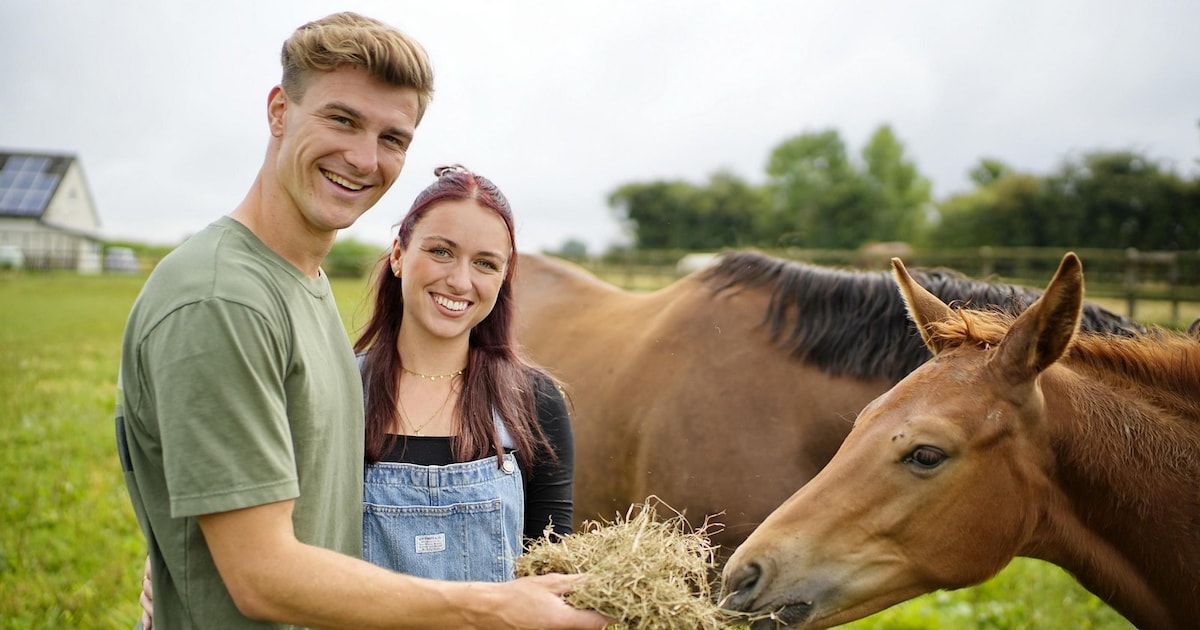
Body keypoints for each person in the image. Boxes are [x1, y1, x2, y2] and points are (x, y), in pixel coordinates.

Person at [115, 11, 607, 630]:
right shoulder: (223, 300)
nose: (363, 158)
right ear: (279, 111)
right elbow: (260, 575)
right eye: (342, 119)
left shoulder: (306, 286)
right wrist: (493, 606)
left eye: (393, 138)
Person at [355, 164, 577, 581]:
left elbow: (549, 578)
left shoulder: (534, 402)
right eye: (441, 252)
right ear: (399, 255)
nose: (460, 281)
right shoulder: (341, 390)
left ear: (503, 278)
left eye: (485, 264)